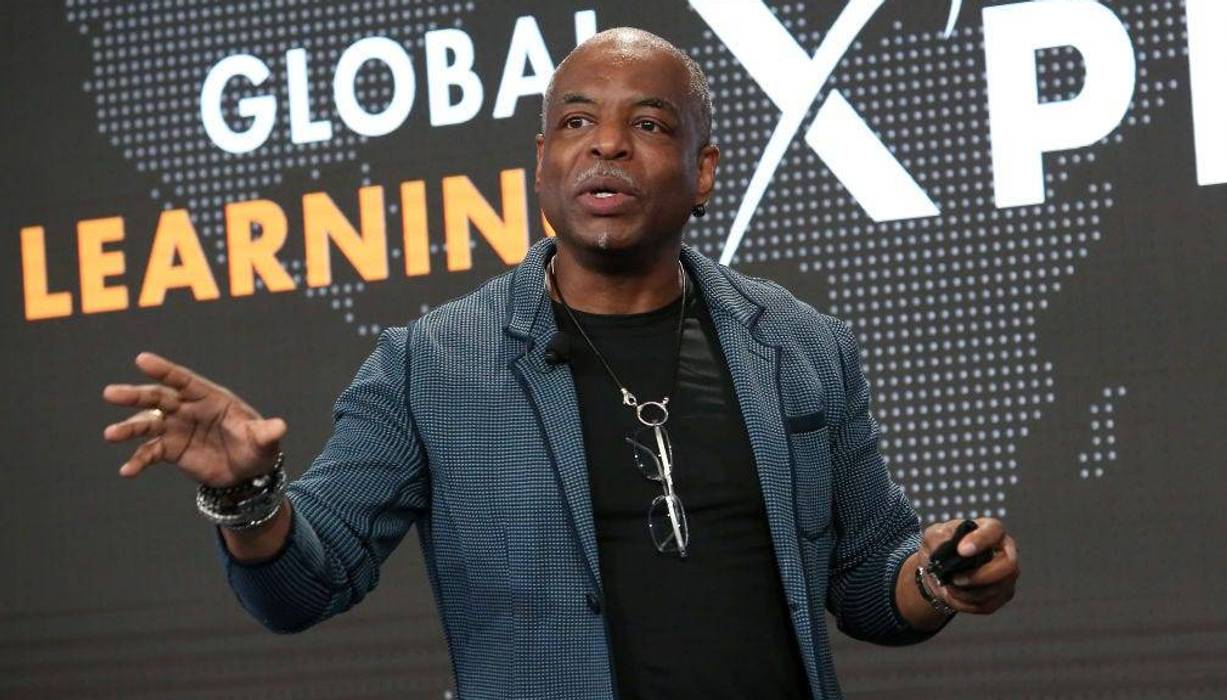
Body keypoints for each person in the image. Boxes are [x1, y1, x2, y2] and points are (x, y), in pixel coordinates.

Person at [102, 27, 1018, 700]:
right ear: (543, 163)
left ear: (703, 172)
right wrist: (248, 495)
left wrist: (942, 577)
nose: (606, 143)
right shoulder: (428, 366)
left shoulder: (800, 345)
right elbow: (304, 585)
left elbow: (866, 581)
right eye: (576, 121)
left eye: (648, 124)